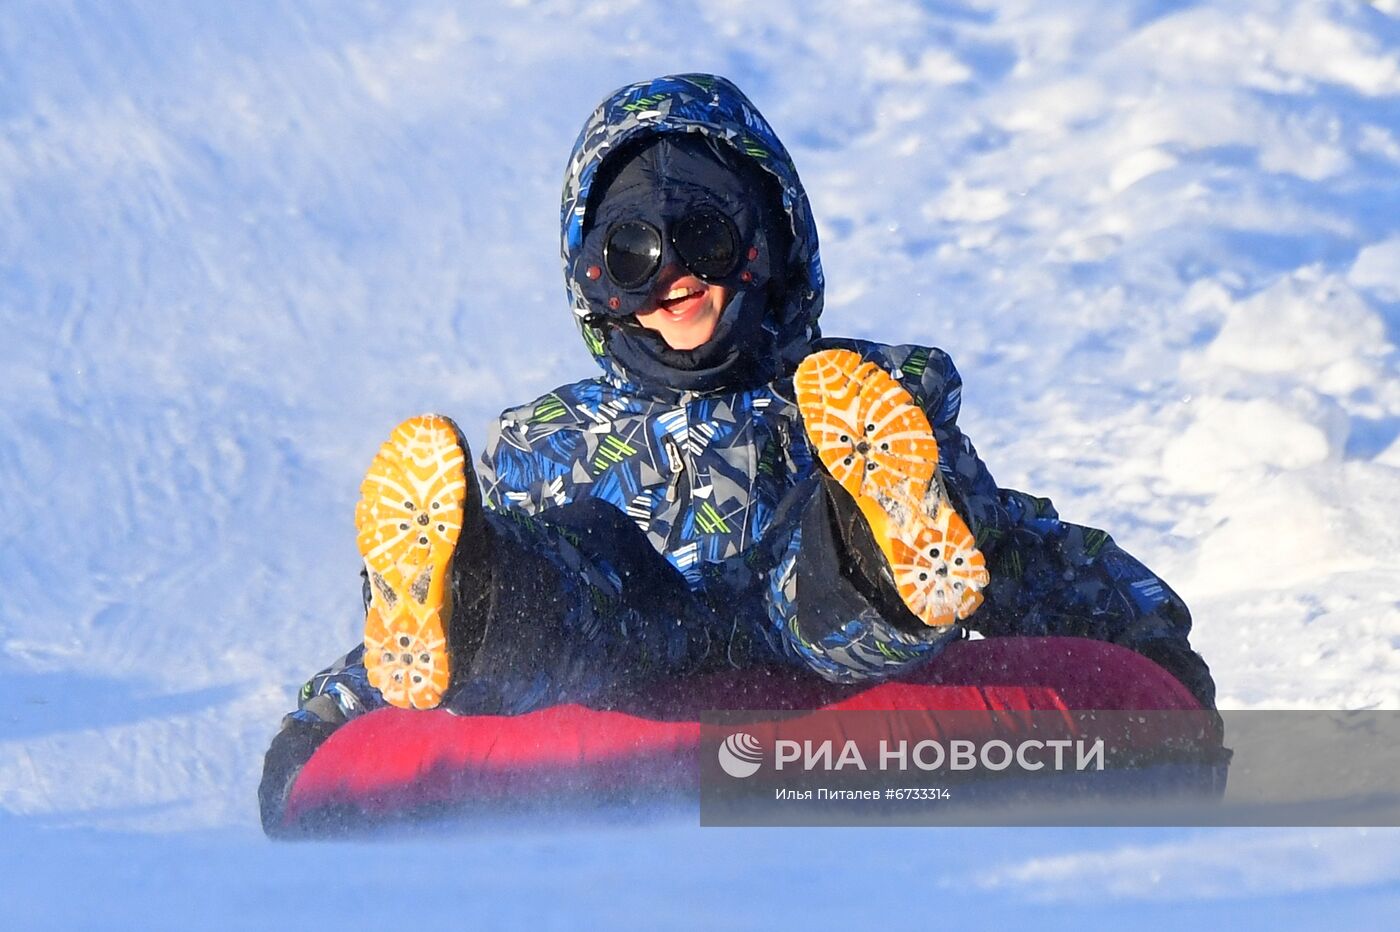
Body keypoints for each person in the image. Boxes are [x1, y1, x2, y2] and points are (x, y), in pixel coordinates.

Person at [260, 74, 1216, 824]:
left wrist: (1144, 644)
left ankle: (879, 548)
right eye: (632, 254)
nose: (673, 275)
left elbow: (1009, 544)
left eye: (705, 237)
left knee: (821, 552)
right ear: (592, 280)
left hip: (808, 651)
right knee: (575, 565)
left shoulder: (854, 400)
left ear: (769, 246)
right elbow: (396, 630)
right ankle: (473, 601)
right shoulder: (550, 438)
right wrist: (327, 722)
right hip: (621, 660)